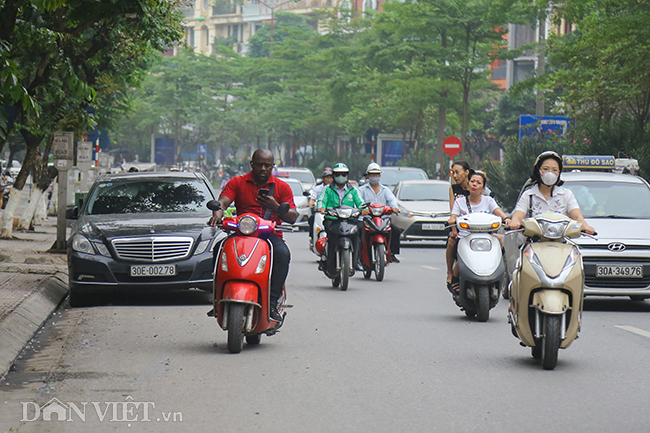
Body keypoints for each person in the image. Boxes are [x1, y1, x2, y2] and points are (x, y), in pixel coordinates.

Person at [208, 149, 298, 322]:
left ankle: (272, 303)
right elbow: (223, 202)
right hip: (241, 234)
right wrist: (217, 214)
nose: (263, 169)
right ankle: (218, 297)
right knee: (219, 248)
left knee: (282, 254)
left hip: (270, 236)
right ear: (252, 164)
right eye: (259, 165)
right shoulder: (237, 182)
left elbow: (293, 216)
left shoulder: (282, 187)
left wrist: (276, 206)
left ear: (272, 166)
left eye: (267, 165)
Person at [447, 171, 508, 296]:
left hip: (487, 236)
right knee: (458, 250)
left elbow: (499, 213)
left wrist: (507, 219)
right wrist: (452, 219)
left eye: (478, 183)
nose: (475, 185)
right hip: (466, 236)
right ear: (468, 184)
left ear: (483, 187)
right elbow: (453, 216)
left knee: (499, 239)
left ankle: (498, 268)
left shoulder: (489, 201)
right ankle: (453, 276)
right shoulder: (460, 202)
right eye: (472, 181)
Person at [508, 150, 595, 235]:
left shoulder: (566, 194)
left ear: (559, 173)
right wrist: (515, 222)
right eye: (546, 169)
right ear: (538, 171)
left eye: (554, 170)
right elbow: (518, 215)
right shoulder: (528, 195)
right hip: (534, 243)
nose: (550, 173)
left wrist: (586, 227)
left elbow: (577, 216)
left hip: (561, 243)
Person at [317, 162, 367, 274]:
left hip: (349, 220)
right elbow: (321, 200)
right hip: (332, 219)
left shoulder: (353, 190)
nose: (341, 177)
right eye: (338, 174)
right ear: (333, 175)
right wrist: (321, 208)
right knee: (331, 236)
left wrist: (363, 209)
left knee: (359, 231)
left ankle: (357, 259)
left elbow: (361, 202)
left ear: (347, 176)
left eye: (344, 174)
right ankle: (328, 260)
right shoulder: (327, 189)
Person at [357, 162, 402, 263]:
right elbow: (358, 201)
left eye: (377, 174)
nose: (374, 177)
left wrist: (395, 207)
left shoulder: (385, 190)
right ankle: (358, 255)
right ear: (368, 176)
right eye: (372, 175)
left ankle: (392, 253)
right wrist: (361, 209)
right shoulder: (361, 190)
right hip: (366, 220)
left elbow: (392, 200)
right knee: (357, 231)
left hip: (382, 219)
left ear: (380, 176)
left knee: (395, 231)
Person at [445, 161, 472, 290]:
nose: (455, 175)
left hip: (476, 226)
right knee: (451, 241)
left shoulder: (474, 187)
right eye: (453, 173)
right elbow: (453, 212)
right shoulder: (454, 189)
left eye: (458, 172)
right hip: (459, 226)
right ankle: (450, 272)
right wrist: (454, 229)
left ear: (467, 172)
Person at [308, 167, 334, 242]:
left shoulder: (336, 188)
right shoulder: (318, 188)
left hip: (333, 212)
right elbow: (312, 199)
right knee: (312, 218)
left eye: (330, 177)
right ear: (323, 179)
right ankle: (313, 237)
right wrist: (311, 204)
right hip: (321, 211)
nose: (329, 179)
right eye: (327, 177)